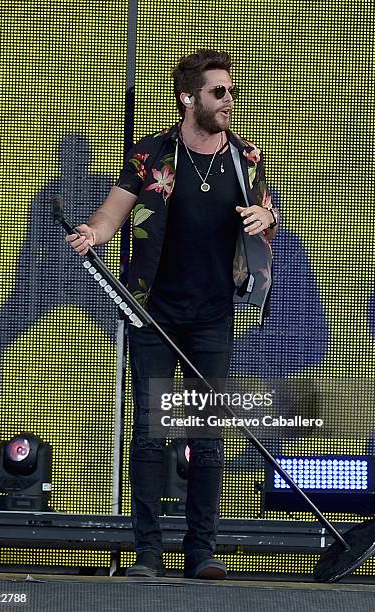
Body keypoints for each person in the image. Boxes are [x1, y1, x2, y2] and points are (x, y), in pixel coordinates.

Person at [66, 49, 279, 579]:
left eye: (230, 91)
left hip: (212, 314)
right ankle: (147, 554)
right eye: (218, 92)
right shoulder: (151, 156)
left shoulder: (245, 158)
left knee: (206, 433)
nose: (229, 100)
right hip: (154, 311)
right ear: (189, 98)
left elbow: (268, 221)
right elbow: (113, 213)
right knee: (151, 430)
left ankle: (201, 551)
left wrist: (265, 216)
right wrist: (93, 233)